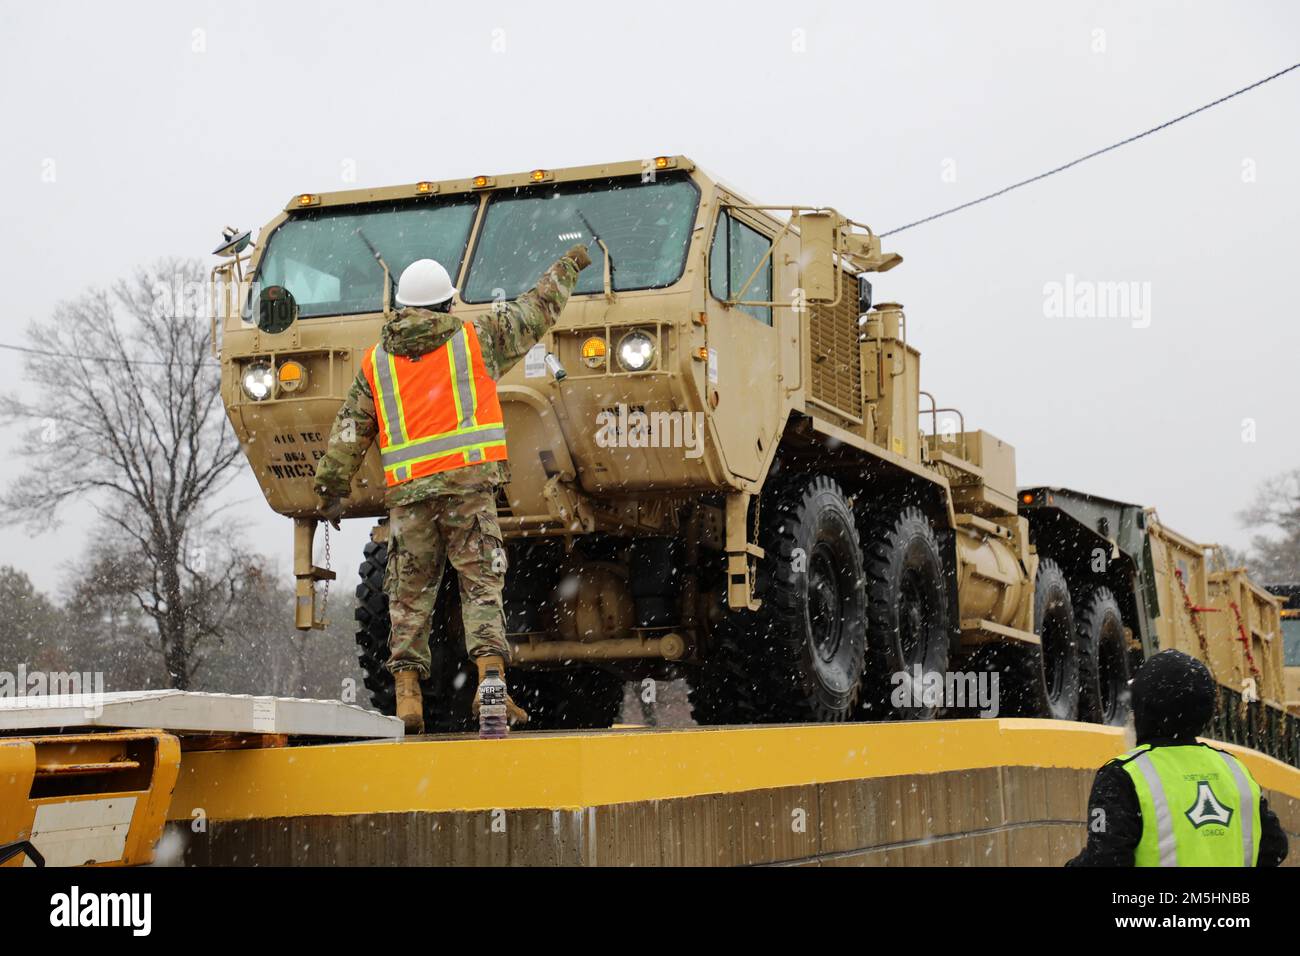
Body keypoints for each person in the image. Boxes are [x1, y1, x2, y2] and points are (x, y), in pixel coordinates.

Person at [313, 243, 592, 734]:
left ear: (402, 305)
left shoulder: (377, 363)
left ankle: (407, 700)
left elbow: (348, 430)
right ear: (447, 303)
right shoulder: (475, 340)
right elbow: (536, 309)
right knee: (480, 585)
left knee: (408, 596)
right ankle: (492, 689)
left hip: (409, 499)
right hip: (468, 490)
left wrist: (331, 488)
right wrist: (568, 265)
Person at [1067, 649, 1288, 866]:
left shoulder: (1122, 777)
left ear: (1142, 710)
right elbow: (1275, 847)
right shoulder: (1235, 770)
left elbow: (1105, 861)